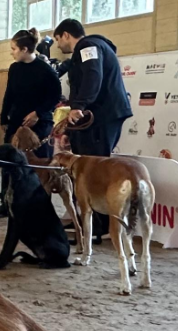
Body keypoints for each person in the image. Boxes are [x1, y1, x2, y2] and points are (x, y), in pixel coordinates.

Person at [52, 18, 132, 237]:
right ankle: (88, 219)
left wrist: (78, 106)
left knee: (94, 169)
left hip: (102, 116)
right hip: (99, 115)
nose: (58, 45)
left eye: (58, 39)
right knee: (87, 166)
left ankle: (102, 225)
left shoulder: (88, 47)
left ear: (66, 35)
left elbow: (93, 77)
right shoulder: (90, 48)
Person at [0, 29, 61, 218]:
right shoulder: (15, 68)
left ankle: (37, 203)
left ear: (24, 49)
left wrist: (38, 112)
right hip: (16, 121)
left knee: (38, 163)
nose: (11, 52)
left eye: (13, 49)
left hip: (39, 123)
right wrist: (4, 116)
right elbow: (10, 94)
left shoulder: (45, 69)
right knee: (9, 162)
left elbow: (55, 95)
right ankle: (6, 201)